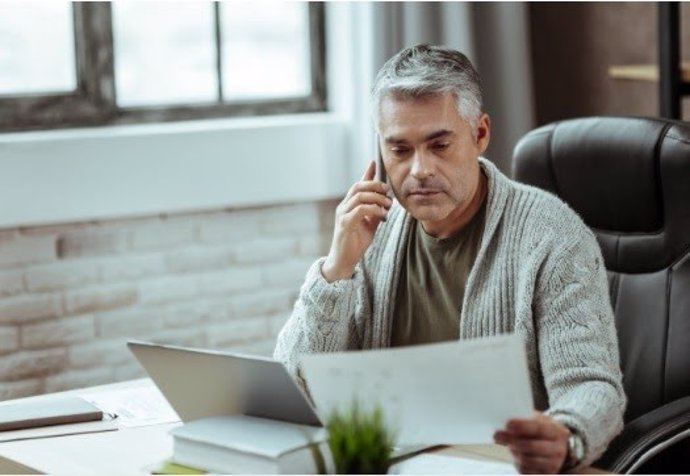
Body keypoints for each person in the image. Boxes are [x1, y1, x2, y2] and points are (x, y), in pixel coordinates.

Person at [274, 44, 626, 474]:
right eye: (400, 150)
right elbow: (296, 388)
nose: (419, 169)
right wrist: (335, 269)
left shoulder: (552, 235)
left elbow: (592, 386)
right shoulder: (370, 231)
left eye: (439, 145)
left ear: (480, 134)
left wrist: (567, 436)